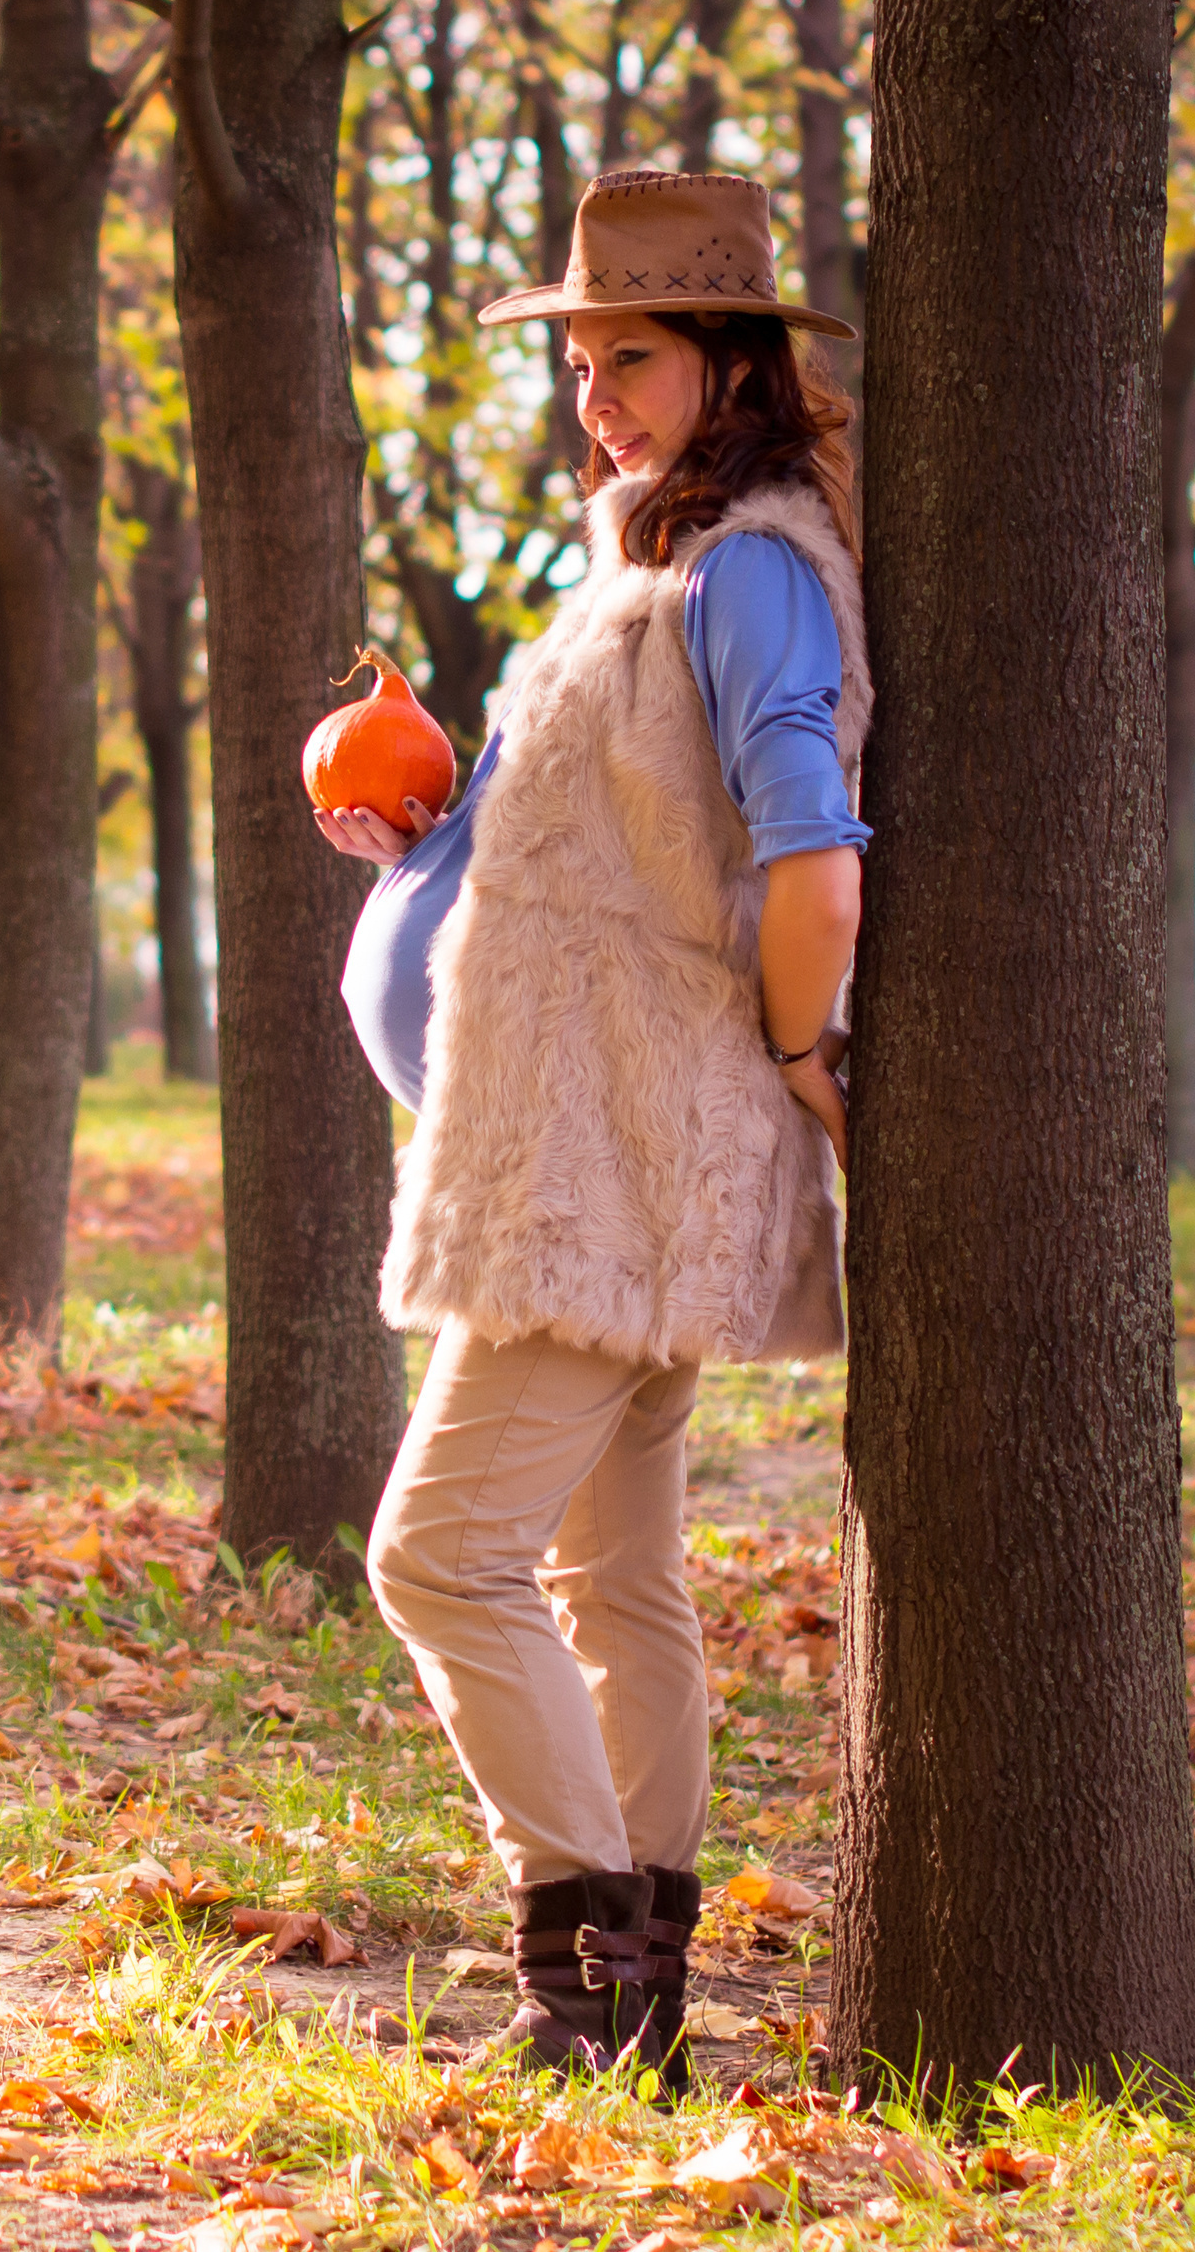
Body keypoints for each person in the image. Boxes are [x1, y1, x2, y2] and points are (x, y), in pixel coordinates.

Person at [317, 170, 866, 2084]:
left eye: (629, 352)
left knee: (436, 1554)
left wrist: (811, 1050)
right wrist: (434, 838)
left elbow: (810, 848)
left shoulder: (751, 571)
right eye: (582, 358)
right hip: (582, 1154)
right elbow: (643, 846)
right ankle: (636, 2013)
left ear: (733, 364)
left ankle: (579, 1976)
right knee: (608, 1576)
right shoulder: (659, 560)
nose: (595, 393)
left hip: (604, 1175)